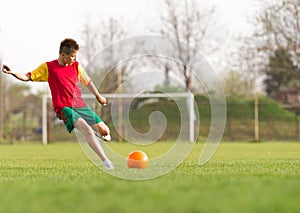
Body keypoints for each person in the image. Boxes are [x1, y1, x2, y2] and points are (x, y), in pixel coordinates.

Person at [1, 38, 114, 170]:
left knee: (105, 130)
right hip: (64, 108)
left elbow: (87, 81)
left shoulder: (76, 66)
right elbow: (27, 77)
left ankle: (100, 135)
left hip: (79, 105)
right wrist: (12, 72)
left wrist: (98, 96)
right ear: (62, 55)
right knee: (87, 130)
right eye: (72, 56)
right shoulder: (49, 67)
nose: (74, 59)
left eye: (75, 56)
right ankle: (106, 161)